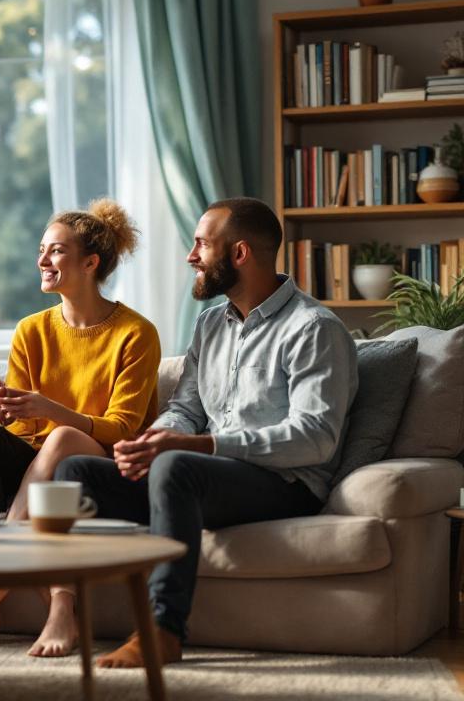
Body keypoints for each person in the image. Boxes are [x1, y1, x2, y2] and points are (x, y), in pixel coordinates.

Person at [55, 197, 356, 669]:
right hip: (207, 475)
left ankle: (163, 630)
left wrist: (197, 446)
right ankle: (65, 613)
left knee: (177, 467)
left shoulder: (314, 328)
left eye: (200, 244)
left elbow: (316, 435)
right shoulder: (211, 324)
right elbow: (186, 408)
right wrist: (152, 440)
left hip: (285, 483)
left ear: (239, 254)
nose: (191, 256)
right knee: (77, 471)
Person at [0, 199, 160, 656]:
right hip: (42, 463)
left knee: (65, 436)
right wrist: (10, 413)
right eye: (41, 250)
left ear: (90, 263)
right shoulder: (32, 329)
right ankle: (45, 601)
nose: (42, 261)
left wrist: (52, 411)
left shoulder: (135, 332)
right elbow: (26, 430)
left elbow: (123, 428)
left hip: (100, 464)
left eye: (55, 251)